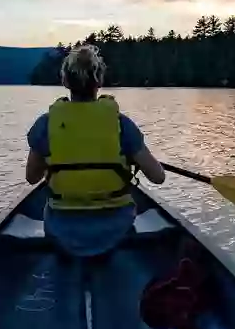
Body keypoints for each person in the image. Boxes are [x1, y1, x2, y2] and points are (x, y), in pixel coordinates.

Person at [26, 44, 166, 257]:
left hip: (62, 230)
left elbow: (31, 178)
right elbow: (158, 177)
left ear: (65, 81)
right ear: (99, 81)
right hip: (116, 230)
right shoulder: (122, 125)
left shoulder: (46, 125)